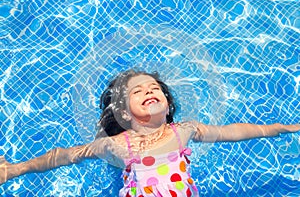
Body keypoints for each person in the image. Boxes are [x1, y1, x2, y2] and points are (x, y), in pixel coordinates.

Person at [0, 69, 299, 196]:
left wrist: (280, 128)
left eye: (154, 88)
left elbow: (234, 131)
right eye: (138, 91)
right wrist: (16, 169)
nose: (149, 91)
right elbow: (66, 156)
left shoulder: (183, 131)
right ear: (125, 114)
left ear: (168, 106)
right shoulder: (118, 145)